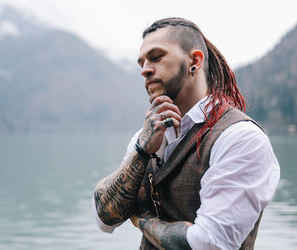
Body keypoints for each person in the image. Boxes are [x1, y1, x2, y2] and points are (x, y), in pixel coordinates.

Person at [92, 17, 280, 250]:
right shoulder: (145, 136)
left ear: (194, 61)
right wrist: (141, 151)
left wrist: (142, 220)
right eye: (141, 62)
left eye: (156, 57)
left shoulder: (241, 138)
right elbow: (103, 218)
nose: (144, 70)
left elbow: (208, 243)